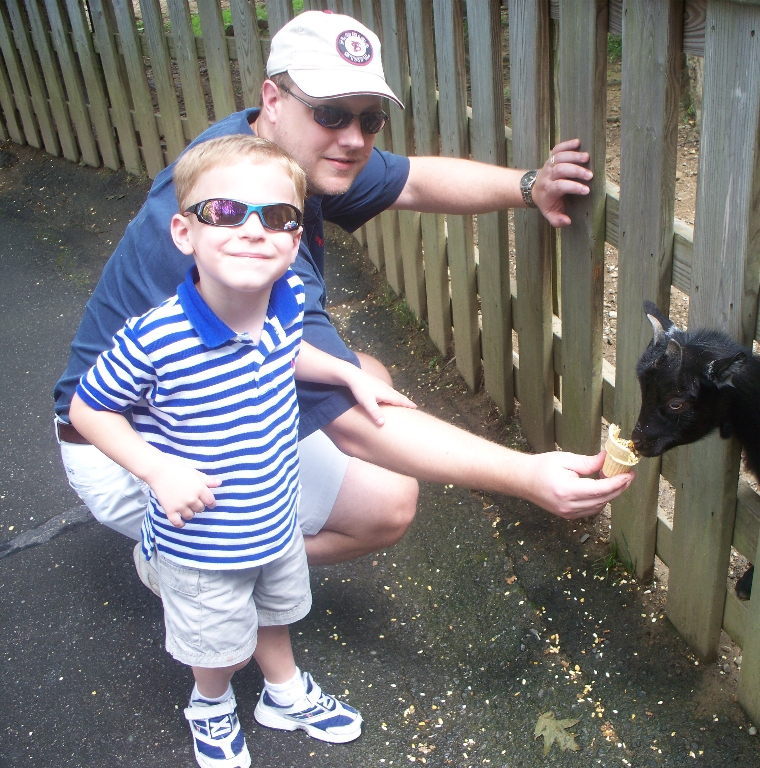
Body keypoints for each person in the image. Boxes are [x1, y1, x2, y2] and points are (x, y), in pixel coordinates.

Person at [53, 11, 632, 592]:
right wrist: (527, 475)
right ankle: (196, 568)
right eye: (329, 113)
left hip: (202, 397)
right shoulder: (239, 232)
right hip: (130, 441)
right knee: (389, 502)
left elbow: (412, 180)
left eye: (369, 118)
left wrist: (530, 187)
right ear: (273, 99)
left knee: (367, 374)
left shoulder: (271, 159)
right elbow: (355, 428)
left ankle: (226, 557)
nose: (353, 138)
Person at [69, 136, 417, 767]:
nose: (254, 230)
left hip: (272, 518)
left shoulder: (283, 302)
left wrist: (347, 373)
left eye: (278, 216)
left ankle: (283, 694)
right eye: (225, 212)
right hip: (202, 538)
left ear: (294, 240)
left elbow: (288, 350)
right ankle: (210, 703)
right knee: (218, 647)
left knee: (274, 613)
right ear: (184, 232)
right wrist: (157, 469)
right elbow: (87, 409)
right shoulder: (156, 338)